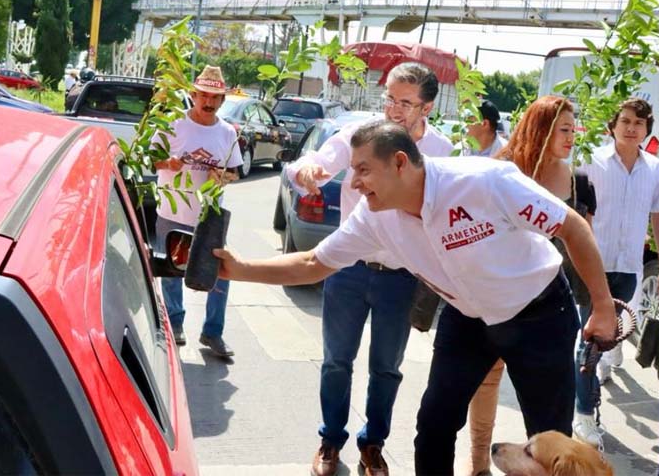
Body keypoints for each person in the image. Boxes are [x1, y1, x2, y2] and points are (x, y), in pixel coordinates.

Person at [214, 120, 617, 476]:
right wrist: (240, 268)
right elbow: (312, 263)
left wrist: (601, 307)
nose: (353, 183)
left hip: (539, 314)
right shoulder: (373, 217)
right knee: (434, 426)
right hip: (467, 318)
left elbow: (573, 228)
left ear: (401, 163)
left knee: (549, 442)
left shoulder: (484, 182)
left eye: (363, 170)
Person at [284, 62, 453, 476]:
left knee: (386, 368)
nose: (394, 110)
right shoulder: (361, 137)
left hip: (400, 278)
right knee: (336, 361)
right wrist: (307, 170)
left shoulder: (441, 152)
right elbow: (316, 160)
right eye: (390, 99)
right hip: (348, 271)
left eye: (406, 103)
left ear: (426, 108)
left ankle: (373, 444)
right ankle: (330, 440)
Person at [458, 95, 598, 476]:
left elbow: (586, 240)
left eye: (573, 129)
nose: (571, 137)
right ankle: (479, 465)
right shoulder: (502, 171)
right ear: (540, 129)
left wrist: (597, 301)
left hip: (551, 305)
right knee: (486, 383)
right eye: (563, 129)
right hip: (497, 296)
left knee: (546, 400)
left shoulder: (579, 180)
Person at [572, 97, 659, 448]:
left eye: (640, 123)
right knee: (587, 338)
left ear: (647, 130)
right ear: (613, 125)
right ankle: (584, 414)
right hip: (591, 264)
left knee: (609, 332)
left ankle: (607, 353)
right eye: (626, 121)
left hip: (628, 266)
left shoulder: (655, 169)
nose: (632, 128)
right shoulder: (593, 161)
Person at [152, 65, 243, 357]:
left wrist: (223, 176)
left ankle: (212, 332)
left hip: (208, 216)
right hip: (172, 211)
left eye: (215, 97)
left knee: (219, 274)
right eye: (203, 95)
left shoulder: (227, 132)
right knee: (171, 272)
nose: (208, 102)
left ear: (222, 101)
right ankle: (175, 324)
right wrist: (168, 164)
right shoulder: (171, 125)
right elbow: (150, 160)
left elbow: (234, 173)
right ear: (192, 95)